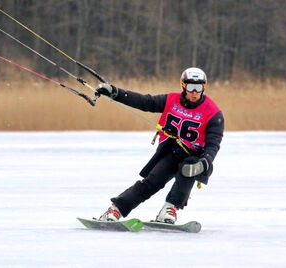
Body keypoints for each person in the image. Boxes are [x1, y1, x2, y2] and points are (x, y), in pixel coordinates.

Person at [94, 67, 224, 224]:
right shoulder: (171, 100)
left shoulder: (213, 113)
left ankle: (170, 209)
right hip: (172, 151)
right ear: (183, 86)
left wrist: (205, 162)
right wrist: (116, 93)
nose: (195, 92)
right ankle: (115, 209)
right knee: (151, 183)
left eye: (199, 87)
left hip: (195, 157)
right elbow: (145, 102)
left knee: (189, 169)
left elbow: (213, 144)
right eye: (190, 87)